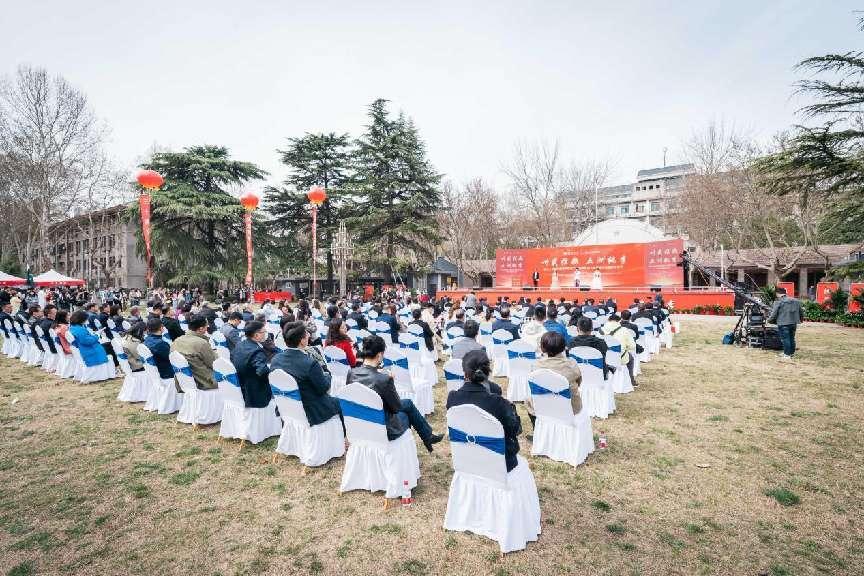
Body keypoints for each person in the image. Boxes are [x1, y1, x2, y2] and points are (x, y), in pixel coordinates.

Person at [347, 335, 443, 452]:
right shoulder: (383, 379)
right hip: (383, 428)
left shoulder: (351, 373)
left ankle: (428, 437)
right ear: (379, 355)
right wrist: (390, 381)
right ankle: (420, 441)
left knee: (408, 403)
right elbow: (396, 407)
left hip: (361, 422)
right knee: (407, 412)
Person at [447, 349, 522, 472]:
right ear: (488, 372)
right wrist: (511, 407)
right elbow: (515, 430)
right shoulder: (498, 403)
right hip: (499, 464)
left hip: (466, 459)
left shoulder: (452, 398)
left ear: (465, 373)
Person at [271, 322, 343, 429]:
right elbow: (324, 388)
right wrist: (327, 375)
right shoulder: (309, 363)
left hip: (287, 407)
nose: (309, 335)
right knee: (341, 402)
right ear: (302, 340)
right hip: (311, 411)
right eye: (306, 333)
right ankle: (342, 435)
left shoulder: (275, 360)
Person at [525, 331, 582, 428]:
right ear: (564, 347)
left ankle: (538, 430)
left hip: (542, 407)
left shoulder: (535, 366)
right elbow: (579, 382)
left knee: (528, 402)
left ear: (542, 348)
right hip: (569, 408)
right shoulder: (572, 365)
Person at [230, 321, 273, 408]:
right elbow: (262, 371)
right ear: (256, 335)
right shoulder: (257, 351)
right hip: (255, 393)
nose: (266, 334)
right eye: (264, 332)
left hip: (240, 386)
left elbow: (232, 358)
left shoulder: (239, 344)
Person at [171, 315, 217, 390]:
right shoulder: (201, 343)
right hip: (203, 382)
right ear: (201, 329)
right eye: (206, 326)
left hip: (182, 382)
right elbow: (214, 364)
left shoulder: (176, 341)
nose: (207, 328)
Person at [601, 313, 638, 387]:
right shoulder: (624, 330)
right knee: (631, 358)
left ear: (608, 320)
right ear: (619, 321)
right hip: (620, 358)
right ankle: (631, 380)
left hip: (604, 359)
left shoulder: (600, 330)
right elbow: (632, 346)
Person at [768, 287, 804, 359]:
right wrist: (801, 319)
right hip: (793, 323)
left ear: (777, 294)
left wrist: (769, 320)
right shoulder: (796, 300)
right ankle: (791, 353)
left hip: (783, 323)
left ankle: (787, 354)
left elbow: (774, 314)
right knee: (791, 338)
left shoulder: (778, 302)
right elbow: (801, 312)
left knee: (785, 339)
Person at [144, 317, 176, 385]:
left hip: (154, 372)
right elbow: (173, 358)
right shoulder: (161, 344)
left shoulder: (146, 340)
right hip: (167, 374)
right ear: (161, 328)